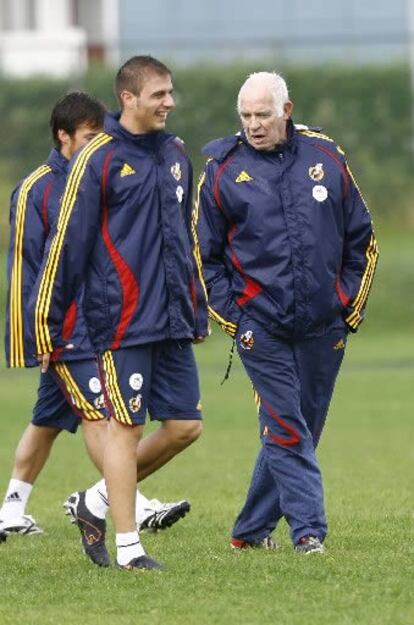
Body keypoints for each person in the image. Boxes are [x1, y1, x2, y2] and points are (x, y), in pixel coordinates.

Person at [29, 56, 208, 572]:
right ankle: (130, 548)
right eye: (159, 94)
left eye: (171, 92)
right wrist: (46, 321)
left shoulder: (175, 153)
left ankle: (97, 501)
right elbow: (67, 246)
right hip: (121, 320)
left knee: (184, 427)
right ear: (128, 99)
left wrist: (193, 308)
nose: (169, 102)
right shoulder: (98, 159)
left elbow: (184, 237)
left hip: (172, 321)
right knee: (123, 428)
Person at [198, 71, 379, 554]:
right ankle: (308, 532)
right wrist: (238, 322)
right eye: (246, 116)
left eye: (263, 114)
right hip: (263, 327)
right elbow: (205, 257)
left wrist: (347, 309)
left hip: (325, 324)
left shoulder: (325, 155)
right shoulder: (221, 169)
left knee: (302, 427)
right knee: (284, 425)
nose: (253, 125)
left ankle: (250, 532)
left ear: (287, 110)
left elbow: (362, 238)